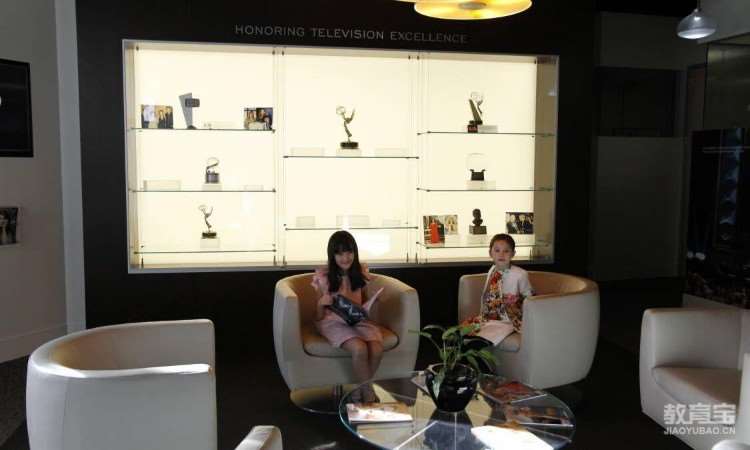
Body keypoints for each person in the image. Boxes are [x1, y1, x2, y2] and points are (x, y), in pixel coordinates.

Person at [312, 230, 384, 403]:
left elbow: (364, 303)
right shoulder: (324, 277)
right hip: (332, 322)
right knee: (359, 348)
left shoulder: (360, 273)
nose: (345, 258)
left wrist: (373, 303)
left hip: (356, 321)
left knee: (376, 349)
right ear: (332, 255)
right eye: (339, 253)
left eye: (349, 252)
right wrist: (321, 303)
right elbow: (318, 317)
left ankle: (358, 389)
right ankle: (368, 392)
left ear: (355, 252)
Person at [461, 233, 534, 370]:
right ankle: (471, 372)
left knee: (476, 343)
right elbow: (488, 295)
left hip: (508, 320)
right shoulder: (492, 270)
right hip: (489, 317)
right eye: (497, 250)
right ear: (490, 253)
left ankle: (485, 373)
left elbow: (530, 297)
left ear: (513, 254)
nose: (501, 254)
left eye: (506, 251)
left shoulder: (520, 274)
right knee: (459, 335)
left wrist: (516, 303)